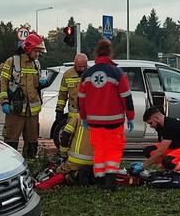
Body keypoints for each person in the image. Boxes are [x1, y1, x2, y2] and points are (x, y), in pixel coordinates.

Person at [78, 39, 135, 190]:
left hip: (94, 122)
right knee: (113, 150)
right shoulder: (117, 73)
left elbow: (81, 99)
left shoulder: (87, 74)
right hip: (114, 121)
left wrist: (83, 117)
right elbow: (126, 97)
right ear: (110, 53)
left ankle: (100, 181)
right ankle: (110, 181)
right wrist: (130, 116)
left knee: (99, 150)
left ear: (96, 53)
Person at [0, 33, 48, 158]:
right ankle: (10, 166)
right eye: (36, 51)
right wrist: (4, 101)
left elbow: (35, 85)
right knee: (11, 141)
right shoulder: (12, 62)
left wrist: (42, 84)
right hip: (15, 110)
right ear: (28, 48)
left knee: (32, 143)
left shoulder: (36, 64)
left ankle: (30, 168)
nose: (38, 54)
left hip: (32, 112)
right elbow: (3, 83)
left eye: (39, 51)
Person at [131, 106, 180, 179]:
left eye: (151, 123)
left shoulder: (170, 125)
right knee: (148, 151)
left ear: (156, 117)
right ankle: (168, 166)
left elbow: (160, 151)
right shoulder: (160, 126)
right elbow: (160, 148)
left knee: (167, 161)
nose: (151, 126)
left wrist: (143, 165)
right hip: (176, 148)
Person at [56, 114, 94, 185]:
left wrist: (63, 153)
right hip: (94, 162)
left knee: (58, 171)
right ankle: (89, 175)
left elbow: (65, 135)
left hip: (75, 161)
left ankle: (74, 176)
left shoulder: (78, 117)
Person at [55, 53, 88, 121]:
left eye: (84, 66)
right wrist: (59, 110)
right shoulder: (68, 75)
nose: (82, 69)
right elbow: (62, 95)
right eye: (80, 66)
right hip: (73, 114)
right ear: (75, 64)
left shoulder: (91, 73)